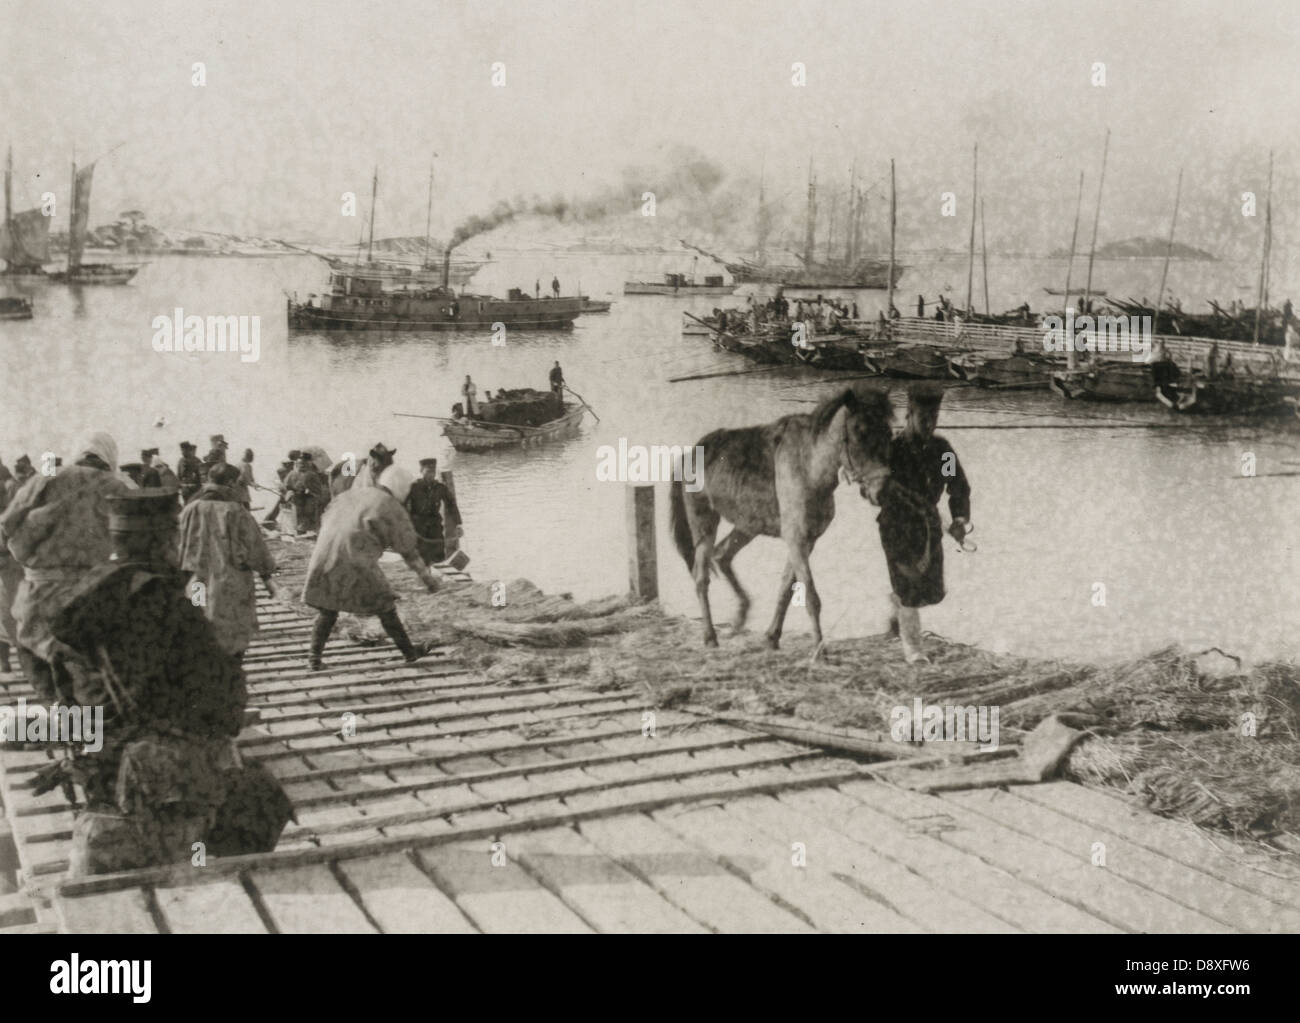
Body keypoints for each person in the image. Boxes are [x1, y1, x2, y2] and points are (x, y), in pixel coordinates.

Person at [48, 490, 290, 876]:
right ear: (165, 540)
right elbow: (222, 699)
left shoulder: (80, 595)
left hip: (98, 761)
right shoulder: (164, 601)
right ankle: (202, 873)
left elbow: (60, 687)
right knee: (262, 800)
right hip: (157, 768)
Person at [0, 431, 128, 701]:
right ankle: (89, 724)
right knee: (90, 664)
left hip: (40, 592)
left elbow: (7, 524)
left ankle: (60, 716)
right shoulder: (118, 488)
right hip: (94, 591)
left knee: (31, 650)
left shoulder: (47, 479)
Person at [302, 465, 443, 671]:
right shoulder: (390, 506)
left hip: (323, 555)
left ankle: (314, 658)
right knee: (386, 606)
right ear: (402, 489)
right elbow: (408, 550)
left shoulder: (352, 494)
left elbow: (325, 518)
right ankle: (410, 653)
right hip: (356, 561)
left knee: (328, 609)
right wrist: (428, 580)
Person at [877, 385, 971, 665]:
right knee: (909, 590)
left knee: (932, 593)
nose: (929, 424)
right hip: (896, 525)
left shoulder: (942, 451)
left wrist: (959, 520)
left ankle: (898, 607)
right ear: (909, 415)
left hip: (929, 527)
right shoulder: (891, 450)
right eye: (923, 418)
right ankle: (914, 651)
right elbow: (871, 489)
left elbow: (959, 488)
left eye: (934, 417)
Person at [178, 463, 277, 661]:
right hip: (231, 583)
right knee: (233, 630)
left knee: (201, 618)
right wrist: (267, 577)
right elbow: (255, 547)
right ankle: (231, 669)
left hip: (197, 583)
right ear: (230, 483)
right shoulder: (236, 512)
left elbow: (176, 546)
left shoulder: (190, 510)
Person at [405, 458, 462, 565]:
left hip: (435, 525)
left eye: (433, 472)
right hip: (418, 526)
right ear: (421, 471)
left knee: (438, 554)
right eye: (428, 472)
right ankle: (424, 576)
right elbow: (405, 506)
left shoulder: (440, 488)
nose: (431, 475)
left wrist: (458, 525)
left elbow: (452, 505)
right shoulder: (414, 487)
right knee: (421, 557)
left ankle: (437, 576)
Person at [0, 463, 21, 673]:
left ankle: (6, 660)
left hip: (8, 557)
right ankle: (5, 660)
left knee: (7, 610)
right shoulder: (11, 484)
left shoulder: (10, 485)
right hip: (10, 556)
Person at [283, 453, 327, 535]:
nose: (302, 465)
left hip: (309, 498)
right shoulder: (292, 473)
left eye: (304, 463)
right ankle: (299, 530)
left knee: (309, 510)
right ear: (296, 464)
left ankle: (312, 529)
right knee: (297, 513)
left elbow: (318, 489)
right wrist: (291, 491)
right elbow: (286, 485)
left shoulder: (312, 475)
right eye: (300, 463)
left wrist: (310, 491)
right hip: (296, 498)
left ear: (308, 464)